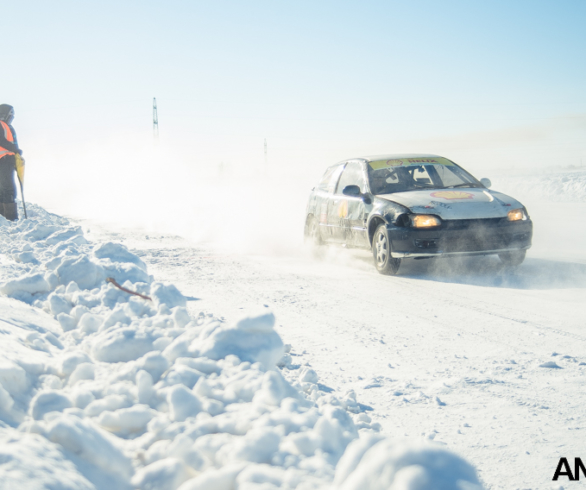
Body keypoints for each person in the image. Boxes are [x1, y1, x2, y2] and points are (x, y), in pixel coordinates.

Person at [0, 104, 22, 221]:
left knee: (4, 188)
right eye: (10, 115)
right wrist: (15, 149)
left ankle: (4, 217)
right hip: (3, 160)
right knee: (7, 188)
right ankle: (10, 218)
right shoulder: (1, 124)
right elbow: (1, 140)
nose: (12, 118)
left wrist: (16, 156)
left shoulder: (8, 127)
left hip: (7, 160)